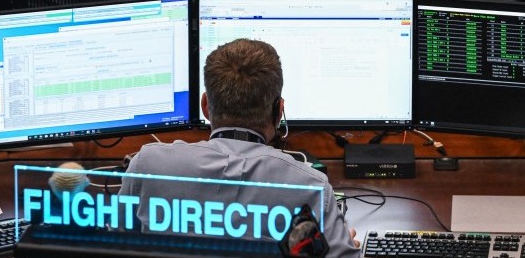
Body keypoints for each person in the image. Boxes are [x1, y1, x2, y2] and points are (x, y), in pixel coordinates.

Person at [120, 39, 359, 258]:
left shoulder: (146, 166)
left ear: (205, 106)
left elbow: (112, 245)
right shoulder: (310, 187)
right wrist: (337, 247)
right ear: (279, 111)